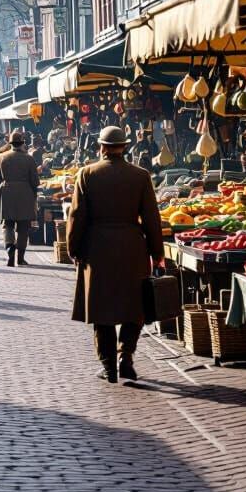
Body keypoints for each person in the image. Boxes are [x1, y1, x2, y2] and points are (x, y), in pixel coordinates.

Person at [66, 125, 165, 384]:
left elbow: (77, 216)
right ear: (125, 146)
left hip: (97, 249)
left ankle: (108, 365)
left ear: (101, 147)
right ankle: (126, 357)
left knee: (101, 309)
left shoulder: (87, 174)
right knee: (135, 307)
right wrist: (157, 253)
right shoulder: (141, 176)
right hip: (132, 248)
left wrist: (73, 248)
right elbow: (152, 218)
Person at [0, 130, 40, 267]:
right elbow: (35, 181)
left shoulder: (1, 157)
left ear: (10, 143)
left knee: (8, 225)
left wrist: (2, 187)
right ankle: (20, 257)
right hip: (25, 194)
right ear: (23, 143)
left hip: (7, 193)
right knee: (24, 227)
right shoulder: (29, 159)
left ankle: (9, 248)